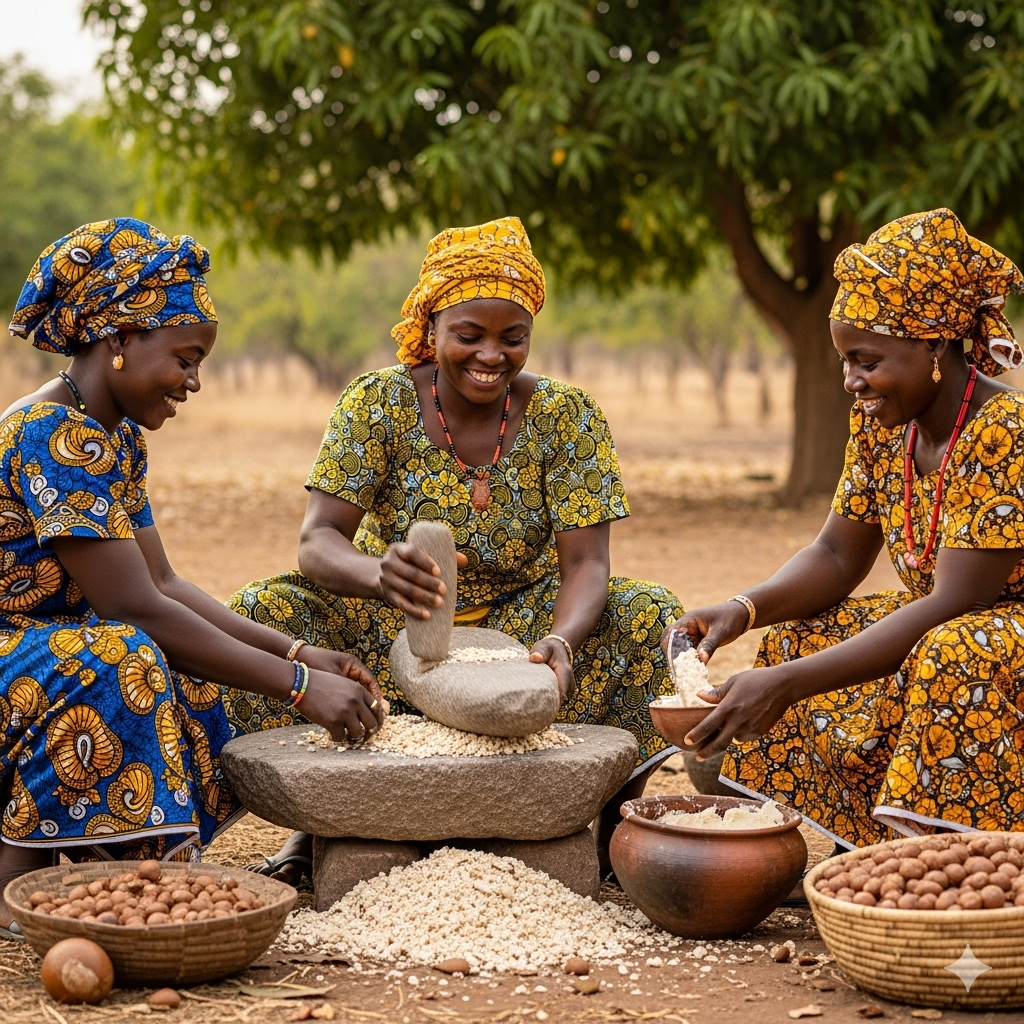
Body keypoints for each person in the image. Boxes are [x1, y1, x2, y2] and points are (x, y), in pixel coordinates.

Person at [227, 217, 683, 877]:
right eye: (469, 335)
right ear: (432, 325)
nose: (491, 355)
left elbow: (587, 564)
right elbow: (318, 541)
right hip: (393, 620)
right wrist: (380, 574)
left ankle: (613, 822)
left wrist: (560, 641)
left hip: (521, 627)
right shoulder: (379, 404)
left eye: (513, 337)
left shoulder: (566, 415)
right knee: (260, 612)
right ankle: (316, 820)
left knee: (650, 615)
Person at [0, 219, 382, 939]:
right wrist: (298, 687)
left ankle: (106, 869)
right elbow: (134, 607)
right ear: (120, 338)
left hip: (42, 662)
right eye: (185, 358)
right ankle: (19, 874)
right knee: (123, 656)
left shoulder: (112, 436)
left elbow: (165, 584)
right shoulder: (52, 434)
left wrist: (295, 652)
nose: (194, 382)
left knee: (201, 676)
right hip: (22, 664)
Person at [668, 208, 1024, 849]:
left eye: (866, 360)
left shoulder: (1004, 430)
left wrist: (786, 686)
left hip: (987, 632)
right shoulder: (885, 426)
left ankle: (944, 854)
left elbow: (958, 602)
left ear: (934, 344)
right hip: (945, 620)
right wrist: (744, 610)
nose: (851, 381)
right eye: (844, 360)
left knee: (951, 651)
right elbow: (836, 554)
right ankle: (837, 846)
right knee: (795, 638)